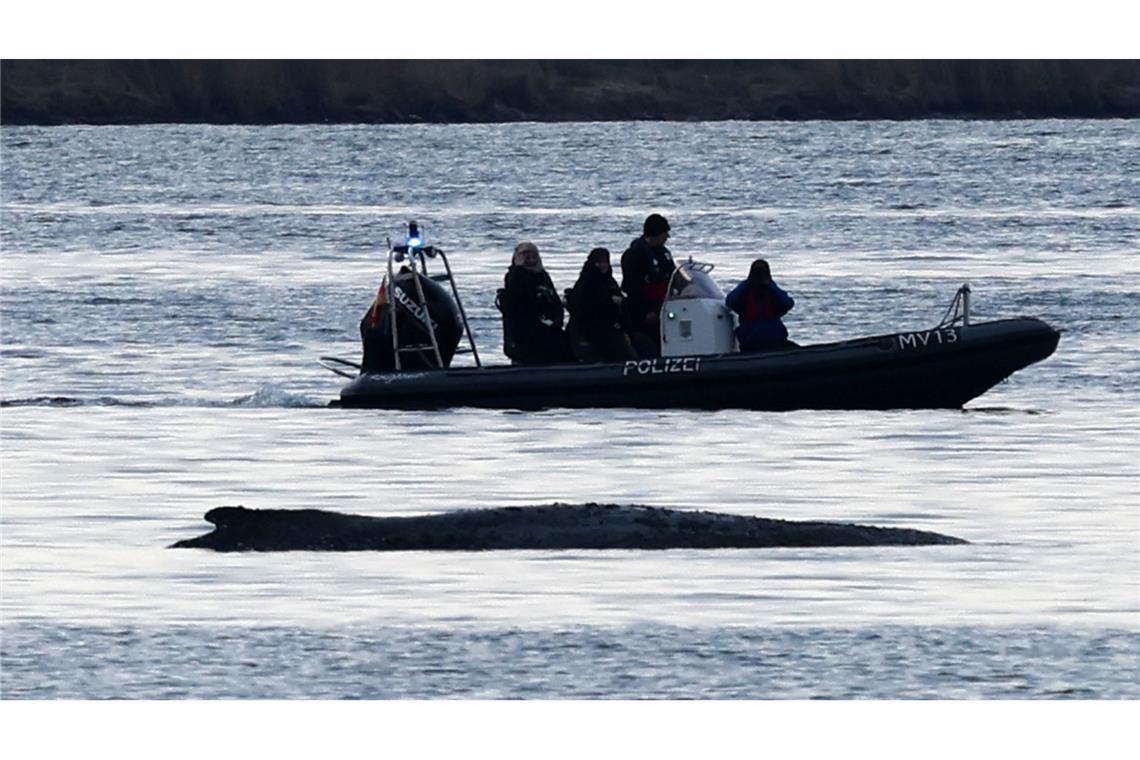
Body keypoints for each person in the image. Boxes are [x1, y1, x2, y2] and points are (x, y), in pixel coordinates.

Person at [497, 241, 572, 365]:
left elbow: (555, 302)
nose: (531, 259)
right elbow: (517, 308)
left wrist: (555, 319)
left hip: (549, 329)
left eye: (534, 256)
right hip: (527, 334)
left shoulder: (543, 276)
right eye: (526, 256)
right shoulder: (515, 277)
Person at [565, 247, 637, 363]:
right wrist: (609, 301)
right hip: (592, 328)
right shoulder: (586, 282)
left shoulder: (610, 281)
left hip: (612, 325)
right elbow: (582, 307)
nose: (603, 265)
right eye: (599, 262)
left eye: (605, 262)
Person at [620, 213, 677, 358]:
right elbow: (633, 286)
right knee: (649, 343)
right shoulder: (635, 254)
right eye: (665, 233)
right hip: (644, 309)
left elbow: (673, 275)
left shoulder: (663, 253)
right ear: (657, 233)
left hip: (663, 305)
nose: (667, 237)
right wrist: (646, 311)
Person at [725, 258, 796, 352]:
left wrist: (768, 285)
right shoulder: (747, 292)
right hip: (759, 341)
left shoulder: (768, 291)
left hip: (766, 340)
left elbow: (787, 304)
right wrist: (768, 284)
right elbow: (730, 301)